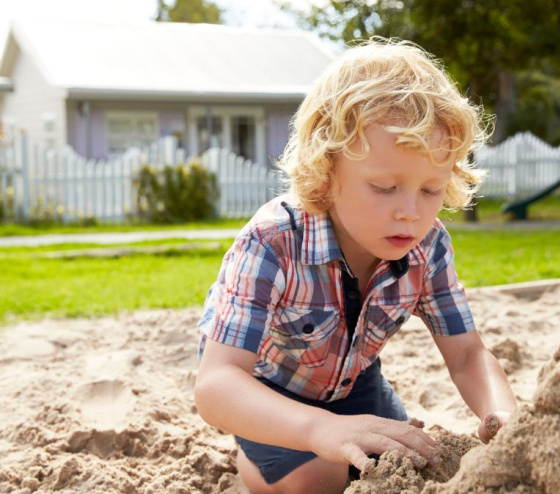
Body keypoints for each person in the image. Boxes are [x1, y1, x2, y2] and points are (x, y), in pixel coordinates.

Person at [193, 39, 517, 494]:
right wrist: (318, 430)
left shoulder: (429, 247)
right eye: (385, 187)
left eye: (430, 190)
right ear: (326, 172)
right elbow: (216, 384)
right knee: (319, 480)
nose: (410, 212)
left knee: (411, 460)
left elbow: (466, 354)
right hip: (264, 385)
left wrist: (502, 415)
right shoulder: (272, 241)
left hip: (350, 379)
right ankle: (251, 460)